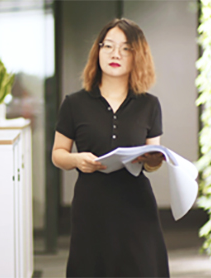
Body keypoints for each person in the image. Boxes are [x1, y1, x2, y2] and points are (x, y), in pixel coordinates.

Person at [52, 18, 169, 277]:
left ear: (137, 56)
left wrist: (152, 160)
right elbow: (58, 154)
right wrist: (76, 160)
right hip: (91, 205)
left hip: (136, 206)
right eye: (109, 46)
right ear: (98, 51)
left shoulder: (149, 104)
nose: (116, 54)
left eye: (126, 48)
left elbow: (153, 161)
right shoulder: (74, 103)